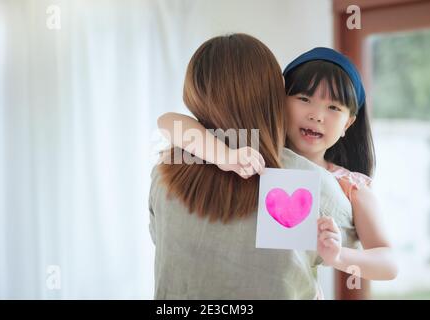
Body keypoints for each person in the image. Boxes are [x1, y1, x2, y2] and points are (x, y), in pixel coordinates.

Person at [157, 47, 398, 285]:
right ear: (279, 103)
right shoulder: (249, 152)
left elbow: (388, 263)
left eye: (333, 107)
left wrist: (338, 256)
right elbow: (169, 122)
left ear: (349, 123)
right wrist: (224, 156)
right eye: (304, 99)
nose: (316, 115)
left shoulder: (350, 186)